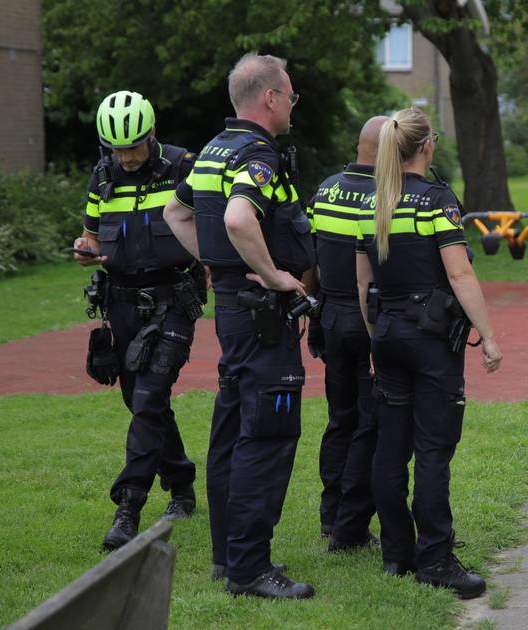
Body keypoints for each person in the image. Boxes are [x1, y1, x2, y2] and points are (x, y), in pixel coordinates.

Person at [162, 52, 315, 599]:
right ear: (270, 98)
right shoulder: (257, 154)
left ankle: (231, 560)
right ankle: (250, 570)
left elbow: (174, 214)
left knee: (231, 432)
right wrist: (272, 275)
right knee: (267, 435)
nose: (294, 104)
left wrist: (219, 264)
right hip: (261, 318)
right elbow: (236, 216)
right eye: (291, 95)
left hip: (231, 311)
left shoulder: (211, 151)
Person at [355, 107, 503, 600]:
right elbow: (460, 274)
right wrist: (490, 337)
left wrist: (377, 333)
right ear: (427, 147)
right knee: (434, 451)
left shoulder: (375, 202)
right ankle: (436, 558)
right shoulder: (437, 203)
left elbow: (363, 283)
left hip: (388, 332)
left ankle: (397, 554)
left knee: (391, 447)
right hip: (431, 337)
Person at [72, 90, 202, 552]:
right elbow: (89, 235)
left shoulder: (185, 166)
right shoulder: (103, 174)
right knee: (141, 399)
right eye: (115, 148)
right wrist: (85, 251)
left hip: (173, 299)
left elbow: (215, 226)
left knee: (148, 397)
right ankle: (182, 483)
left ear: (151, 134)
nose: (125, 157)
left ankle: (128, 508)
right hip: (121, 302)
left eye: (132, 146)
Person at [308, 115, 389, 550]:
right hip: (368, 317)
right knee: (369, 424)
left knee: (339, 419)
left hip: (329, 316)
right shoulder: (385, 195)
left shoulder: (325, 188)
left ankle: (329, 512)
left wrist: (312, 310)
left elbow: (310, 255)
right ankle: (351, 522)